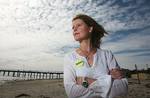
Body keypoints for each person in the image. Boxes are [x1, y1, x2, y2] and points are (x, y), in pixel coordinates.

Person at [63, 14, 128, 98]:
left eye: (79, 25)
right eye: (73, 27)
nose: (74, 29)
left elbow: (122, 88)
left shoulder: (107, 55)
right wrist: (107, 82)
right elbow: (72, 92)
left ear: (90, 29)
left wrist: (86, 81)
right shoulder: (70, 57)